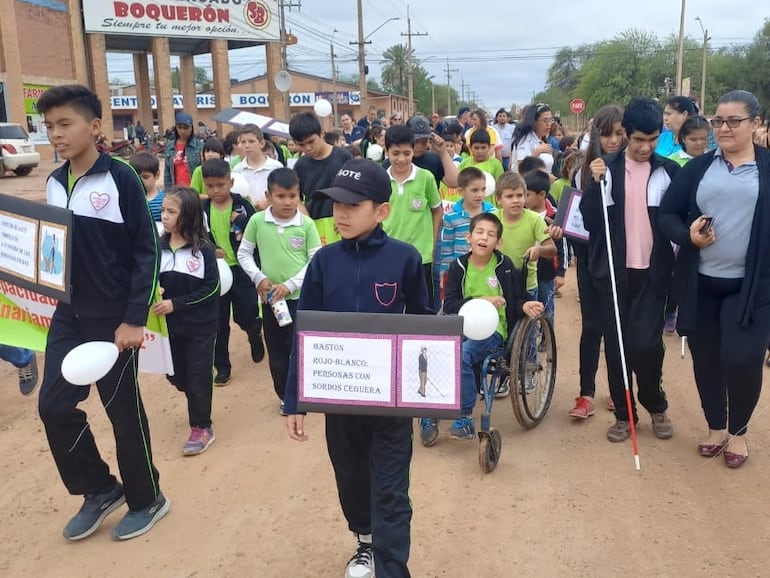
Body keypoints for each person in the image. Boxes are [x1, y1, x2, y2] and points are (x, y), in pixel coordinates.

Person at [283, 159, 433, 578]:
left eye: (353, 204)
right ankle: (364, 543)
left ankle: (391, 568)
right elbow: (305, 333)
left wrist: (428, 392)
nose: (341, 213)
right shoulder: (323, 263)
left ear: (382, 210)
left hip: (390, 407)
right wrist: (295, 399)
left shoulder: (405, 259)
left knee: (390, 490)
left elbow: (425, 326)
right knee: (350, 480)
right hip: (340, 402)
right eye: (335, 204)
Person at [37, 84, 168, 541]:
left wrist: (134, 318)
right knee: (53, 406)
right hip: (68, 314)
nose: (56, 134)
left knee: (121, 412)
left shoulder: (122, 178)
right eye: (49, 126)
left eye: (65, 124)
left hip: (116, 319)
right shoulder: (54, 183)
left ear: (94, 127)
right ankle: (98, 488)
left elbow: (147, 250)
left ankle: (147, 497)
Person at [658, 90, 770, 468]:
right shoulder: (699, 168)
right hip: (701, 282)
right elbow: (668, 214)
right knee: (706, 359)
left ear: (756, 124)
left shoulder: (767, 168)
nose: (723, 128)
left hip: (753, 286)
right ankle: (716, 426)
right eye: (718, 121)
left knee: (742, 357)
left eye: (734, 121)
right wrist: (687, 235)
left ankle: (738, 431)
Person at [580, 96, 679, 442]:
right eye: (638, 140)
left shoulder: (669, 171)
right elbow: (591, 222)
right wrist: (594, 185)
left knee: (647, 345)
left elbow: (678, 221)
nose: (645, 147)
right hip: (613, 272)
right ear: (626, 135)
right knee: (618, 346)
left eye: (652, 140)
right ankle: (625, 414)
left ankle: (655, 403)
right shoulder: (604, 169)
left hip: (654, 274)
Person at [434, 213, 544, 442]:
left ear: (499, 242)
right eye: (479, 232)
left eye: (491, 234)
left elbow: (516, 298)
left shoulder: (504, 267)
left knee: (463, 355)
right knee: (434, 352)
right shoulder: (458, 267)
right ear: (469, 237)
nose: (484, 237)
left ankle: (464, 417)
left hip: (493, 331)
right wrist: (482, 300)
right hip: (462, 326)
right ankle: (432, 411)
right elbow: (451, 303)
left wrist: (525, 304)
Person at [237, 168, 321, 413]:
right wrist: (258, 277)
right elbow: (244, 253)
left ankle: (303, 395)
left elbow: (315, 260)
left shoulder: (306, 225)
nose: (287, 201)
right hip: (271, 300)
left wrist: (290, 285)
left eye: (293, 196)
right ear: (268, 195)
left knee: (299, 349)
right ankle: (286, 397)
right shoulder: (257, 221)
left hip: (300, 300)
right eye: (281, 196)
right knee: (277, 351)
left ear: (300, 196)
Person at [568, 104, 625, 419]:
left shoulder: (632, 169)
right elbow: (579, 216)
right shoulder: (582, 170)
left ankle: (620, 390)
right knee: (592, 326)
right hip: (591, 256)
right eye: (606, 134)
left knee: (617, 326)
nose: (613, 140)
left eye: (619, 133)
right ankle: (585, 394)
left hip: (622, 257)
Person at [155, 187, 220, 455]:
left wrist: (176, 304)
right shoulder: (156, 247)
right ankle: (196, 389)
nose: (165, 217)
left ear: (190, 216)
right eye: (163, 211)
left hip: (200, 327)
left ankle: (202, 426)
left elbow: (212, 288)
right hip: (169, 329)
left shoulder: (202, 250)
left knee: (196, 377)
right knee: (175, 374)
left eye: (172, 212)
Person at [201, 159, 265, 386]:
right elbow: (197, 236)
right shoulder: (203, 210)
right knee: (218, 323)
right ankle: (223, 367)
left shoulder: (242, 207)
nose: (216, 190)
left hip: (242, 272)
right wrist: (209, 250)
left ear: (231, 182)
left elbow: (256, 233)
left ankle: (254, 331)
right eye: (210, 186)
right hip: (217, 274)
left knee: (245, 314)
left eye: (221, 185)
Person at [383, 124, 443, 304]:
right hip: (389, 253)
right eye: (395, 153)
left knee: (421, 305)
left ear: (413, 151)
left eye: (406, 153)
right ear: (387, 151)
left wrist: (432, 242)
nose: (401, 159)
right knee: (391, 302)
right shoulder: (381, 178)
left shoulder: (426, 177)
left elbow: (437, 209)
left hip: (421, 254)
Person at [289, 112, 352, 245]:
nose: (308, 148)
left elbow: (355, 191)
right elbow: (296, 199)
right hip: (315, 225)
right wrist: (307, 222)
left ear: (322, 133)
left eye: (311, 141)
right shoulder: (300, 165)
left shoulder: (343, 157)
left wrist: (346, 214)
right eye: (301, 144)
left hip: (344, 223)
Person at [494, 172, 556, 298]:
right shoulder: (492, 220)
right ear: (499, 199)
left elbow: (552, 250)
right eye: (509, 196)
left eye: (520, 195)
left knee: (527, 318)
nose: (515, 200)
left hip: (527, 285)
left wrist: (539, 250)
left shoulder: (535, 219)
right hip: (497, 285)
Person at [524, 169, 565, 325]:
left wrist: (561, 272)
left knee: (546, 307)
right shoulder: (522, 213)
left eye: (527, 195)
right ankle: (530, 335)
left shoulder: (555, 216)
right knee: (530, 306)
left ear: (541, 194)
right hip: (527, 270)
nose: (524, 199)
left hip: (546, 272)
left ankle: (547, 337)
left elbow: (562, 246)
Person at [438, 166, 496, 278]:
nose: (480, 194)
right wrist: (444, 274)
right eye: (474, 190)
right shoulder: (451, 217)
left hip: (487, 271)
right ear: (460, 191)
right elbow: (447, 248)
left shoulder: (493, 214)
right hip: (460, 272)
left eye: (483, 189)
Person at [231, 124, 283, 210]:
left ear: (262, 143)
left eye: (251, 141)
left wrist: (269, 201)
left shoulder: (276, 167)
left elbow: (283, 192)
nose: (247, 146)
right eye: (243, 142)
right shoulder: (238, 170)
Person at [458, 129, 504, 201]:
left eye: (483, 147)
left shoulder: (495, 164)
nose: (480, 151)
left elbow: (501, 187)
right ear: (470, 147)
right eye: (476, 148)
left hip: (490, 206)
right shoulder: (464, 163)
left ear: (489, 147)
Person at [163, 110, 203, 189]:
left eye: (186, 127)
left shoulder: (199, 146)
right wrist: (168, 191)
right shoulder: (169, 146)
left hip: (194, 190)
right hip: (176, 191)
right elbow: (167, 172)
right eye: (179, 127)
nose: (182, 131)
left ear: (191, 127)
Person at [512, 103, 555, 173]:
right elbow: (522, 167)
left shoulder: (542, 139)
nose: (549, 124)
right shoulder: (525, 140)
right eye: (545, 121)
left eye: (551, 120)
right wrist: (538, 151)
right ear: (534, 122)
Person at [130, 152, 164, 224]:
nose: (140, 181)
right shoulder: (129, 199)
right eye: (136, 177)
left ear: (157, 175)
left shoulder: (164, 199)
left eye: (145, 177)